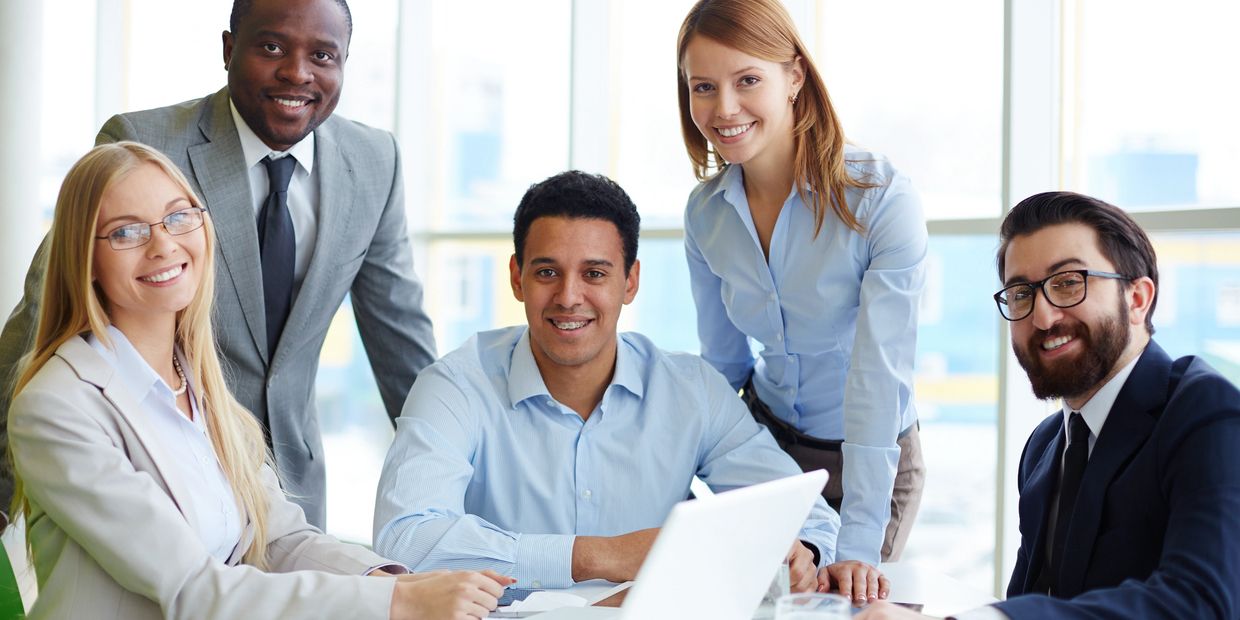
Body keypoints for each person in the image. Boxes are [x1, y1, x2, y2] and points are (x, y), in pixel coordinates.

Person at [6, 142, 509, 619]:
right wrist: (395, 605)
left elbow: (277, 540)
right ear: (85, 259)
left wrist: (397, 582)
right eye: (126, 231)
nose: (163, 244)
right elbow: (194, 589)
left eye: (179, 216)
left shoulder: (196, 382)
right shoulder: (57, 406)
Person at [0, 0, 436, 529]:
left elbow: (400, 342)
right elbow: (48, 312)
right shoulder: (144, 143)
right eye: (272, 47)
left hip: (294, 494)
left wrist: (449, 491)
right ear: (229, 49)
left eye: (323, 55)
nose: (297, 72)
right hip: (158, 474)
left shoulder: (374, 160)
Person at [373, 171, 889, 605]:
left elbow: (808, 514)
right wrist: (601, 554)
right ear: (517, 278)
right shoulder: (454, 386)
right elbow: (405, 541)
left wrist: (803, 554)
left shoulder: (689, 390)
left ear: (630, 282)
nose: (569, 297)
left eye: (594, 273)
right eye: (547, 272)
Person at [858, 191, 1240, 619]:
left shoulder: (1206, 414)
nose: (1042, 316)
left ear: (1137, 299)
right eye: (1021, 293)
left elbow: (1202, 601)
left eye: (1067, 283)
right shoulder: (1045, 446)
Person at [675, 0, 927, 566]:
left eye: (747, 80)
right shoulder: (705, 215)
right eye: (703, 87)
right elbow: (723, 366)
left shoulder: (881, 200)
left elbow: (877, 382)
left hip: (871, 453)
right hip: (767, 453)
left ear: (794, 76)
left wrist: (858, 546)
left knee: (848, 602)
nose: (724, 107)